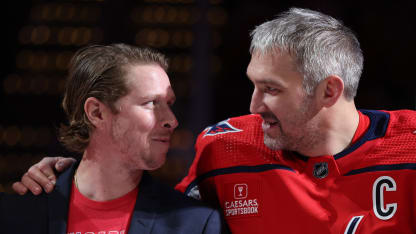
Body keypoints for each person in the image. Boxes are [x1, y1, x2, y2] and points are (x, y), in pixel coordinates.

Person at [13, 8, 416, 233]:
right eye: (253, 85)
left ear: (329, 91)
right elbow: (156, 214)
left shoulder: (410, 145)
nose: (254, 105)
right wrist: (69, 175)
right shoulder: (224, 148)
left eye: (272, 89)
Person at [0, 43, 223, 234]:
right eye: (151, 103)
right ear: (97, 112)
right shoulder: (16, 215)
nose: (172, 120)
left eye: (169, 103)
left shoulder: (195, 224)